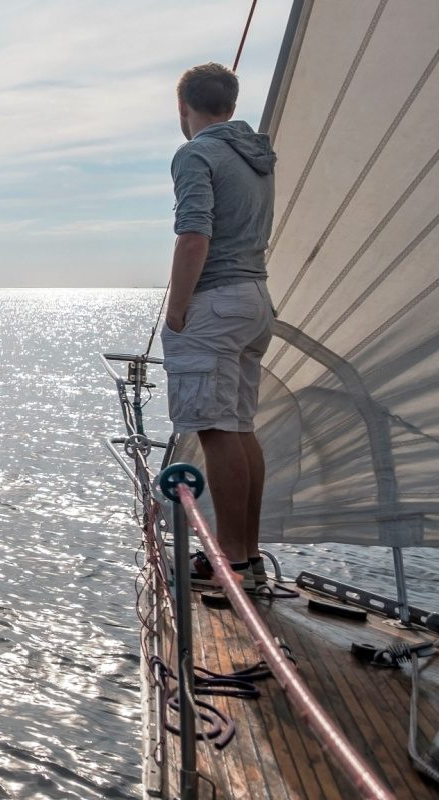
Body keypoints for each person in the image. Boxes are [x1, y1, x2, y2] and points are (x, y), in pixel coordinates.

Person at [161, 63, 276, 591]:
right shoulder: (255, 156)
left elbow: (193, 236)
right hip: (255, 299)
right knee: (239, 426)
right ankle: (246, 555)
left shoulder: (196, 153)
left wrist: (177, 309)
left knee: (216, 429)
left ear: (183, 107)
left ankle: (228, 561)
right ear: (231, 104)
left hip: (216, 302)